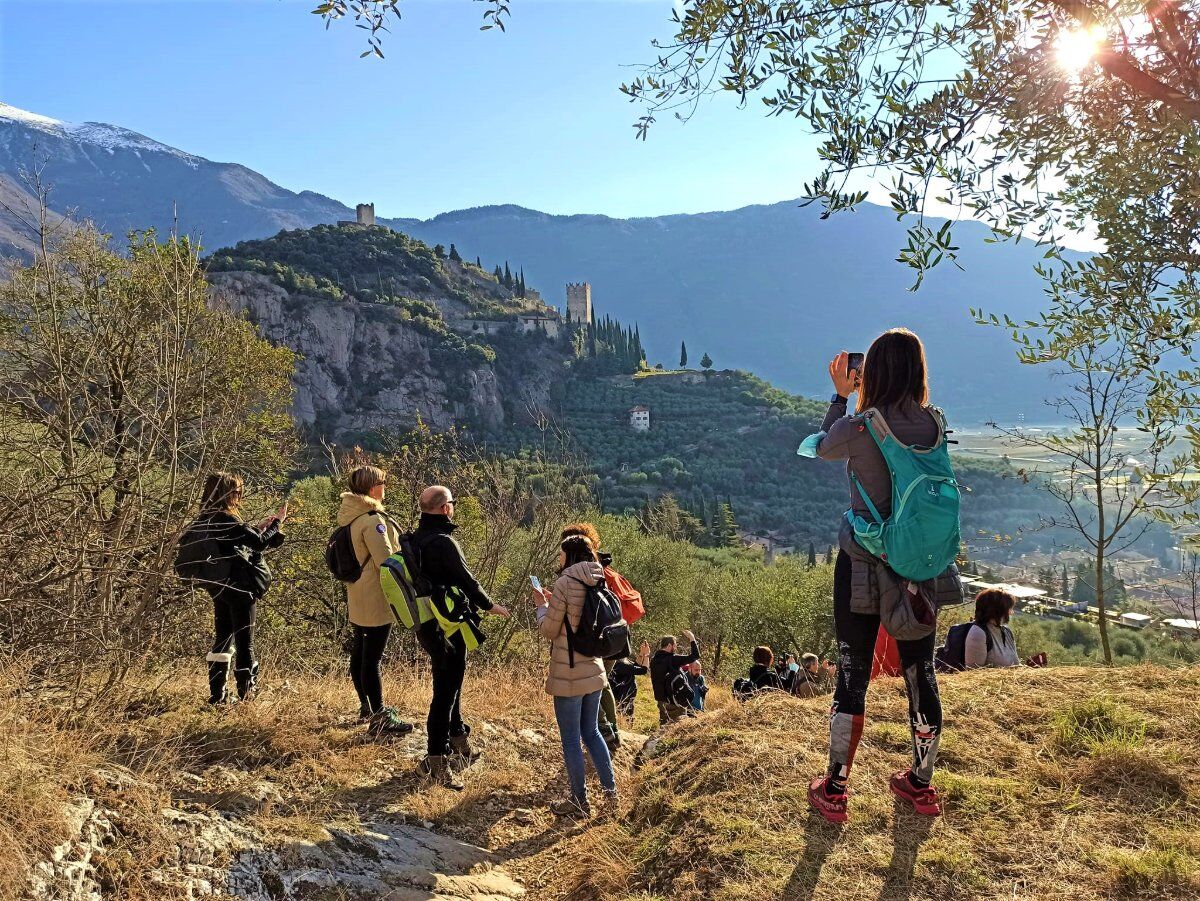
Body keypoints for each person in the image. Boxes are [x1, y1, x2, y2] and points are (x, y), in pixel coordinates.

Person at [805, 330, 956, 823]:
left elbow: (818, 448)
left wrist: (841, 396)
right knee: (920, 670)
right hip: (920, 567)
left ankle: (835, 788)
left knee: (853, 673)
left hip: (863, 566)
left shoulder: (860, 426)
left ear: (872, 373)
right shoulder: (934, 424)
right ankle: (921, 783)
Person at [412, 485, 510, 789]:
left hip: (427, 623)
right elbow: (467, 580)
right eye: (452, 503)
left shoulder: (414, 538)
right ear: (445, 509)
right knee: (445, 691)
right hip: (449, 625)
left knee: (450, 682)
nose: (453, 507)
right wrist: (490, 606)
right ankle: (436, 761)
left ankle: (458, 739)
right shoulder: (444, 542)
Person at [535, 535, 618, 817]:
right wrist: (555, 602)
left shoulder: (565, 581)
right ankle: (611, 794)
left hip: (568, 671)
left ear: (569, 556)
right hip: (594, 669)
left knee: (571, 739)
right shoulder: (598, 577)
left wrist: (541, 606)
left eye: (561, 554)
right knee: (592, 732)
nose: (558, 558)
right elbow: (579, 616)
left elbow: (549, 629)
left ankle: (579, 802)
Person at [194, 472, 286, 705]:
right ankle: (247, 694)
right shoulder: (226, 518)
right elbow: (259, 543)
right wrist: (277, 523)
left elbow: (239, 539)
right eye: (236, 492)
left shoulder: (205, 519)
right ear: (225, 494)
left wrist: (258, 528)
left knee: (223, 638)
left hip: (219, 587)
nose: (239, 497)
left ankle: (218, 695)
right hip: (240, 588)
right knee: (245, 642)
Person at [336, 465, 412, 737]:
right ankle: (380, 716)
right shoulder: (372, 521)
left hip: (358, 592)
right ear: (371, 488)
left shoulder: (351, 516)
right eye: (382, 483)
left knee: (360, 652)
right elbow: (387, 561)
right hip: (375, 595)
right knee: (372, 658)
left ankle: (366, 708)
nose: (385, 487)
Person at [561, 521, 642, 751]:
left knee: (589, 684)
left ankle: (603, 730)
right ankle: (612, 731)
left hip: (596, 639)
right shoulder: (602, 567)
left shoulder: (585, 572)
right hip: (615, 637)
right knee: (602, 683)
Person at [650, 632, 700, 725]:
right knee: (677, 728)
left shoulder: (653, 660)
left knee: (664, 726)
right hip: (675, 702)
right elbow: (695, 656)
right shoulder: (672, 659)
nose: (676, 647)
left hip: (661, 701)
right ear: (669, 645)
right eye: (675, 645)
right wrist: (692, 639)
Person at [965, 589, 1020, 668]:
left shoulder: (1007, 632)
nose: (1012, 613)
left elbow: (1015, 665)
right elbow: (973, 672)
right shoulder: (978, 633)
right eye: (1009, 609)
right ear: (998, 610)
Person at [610, 641, 651, 719]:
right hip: (623, 697)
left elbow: (634, 666)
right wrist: (646, 655)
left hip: (622, 696)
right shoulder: (621, 664)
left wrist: (641, 654)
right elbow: (643, 670)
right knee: (626, 718)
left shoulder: (617, 661)